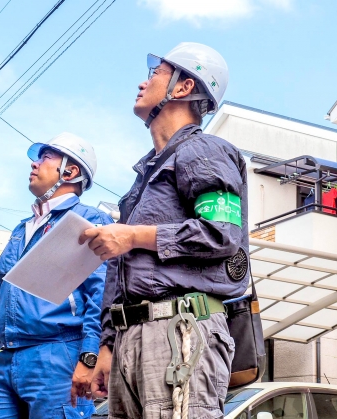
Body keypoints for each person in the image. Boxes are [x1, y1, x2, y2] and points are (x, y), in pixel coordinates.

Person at [80, 43, 249, 418]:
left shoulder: (205, 151)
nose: (143, 82)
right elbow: (118, 271)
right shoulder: (144, 180)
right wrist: (107, 345)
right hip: (131, 337)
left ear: (183, 87)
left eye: (156, 72)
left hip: (181, 330)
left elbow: (221, 233)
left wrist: (134, 235)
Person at [0, 133, 114, 419]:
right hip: (8, 360)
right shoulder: (21, 229)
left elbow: (101, 293)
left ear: (70, 171)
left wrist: (88, 355)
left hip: (58, 355)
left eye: (45, 157)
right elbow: (0, 298)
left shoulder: (88, 220)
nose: (34, 164)